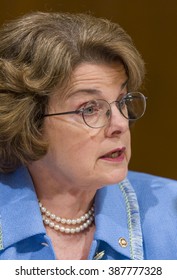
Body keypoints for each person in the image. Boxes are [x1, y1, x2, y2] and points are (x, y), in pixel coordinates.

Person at [0, 11, 177, 260]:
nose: (120, 124)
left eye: (122, 101)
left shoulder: (170, 209)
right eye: (90, 109)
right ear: (28, 120)